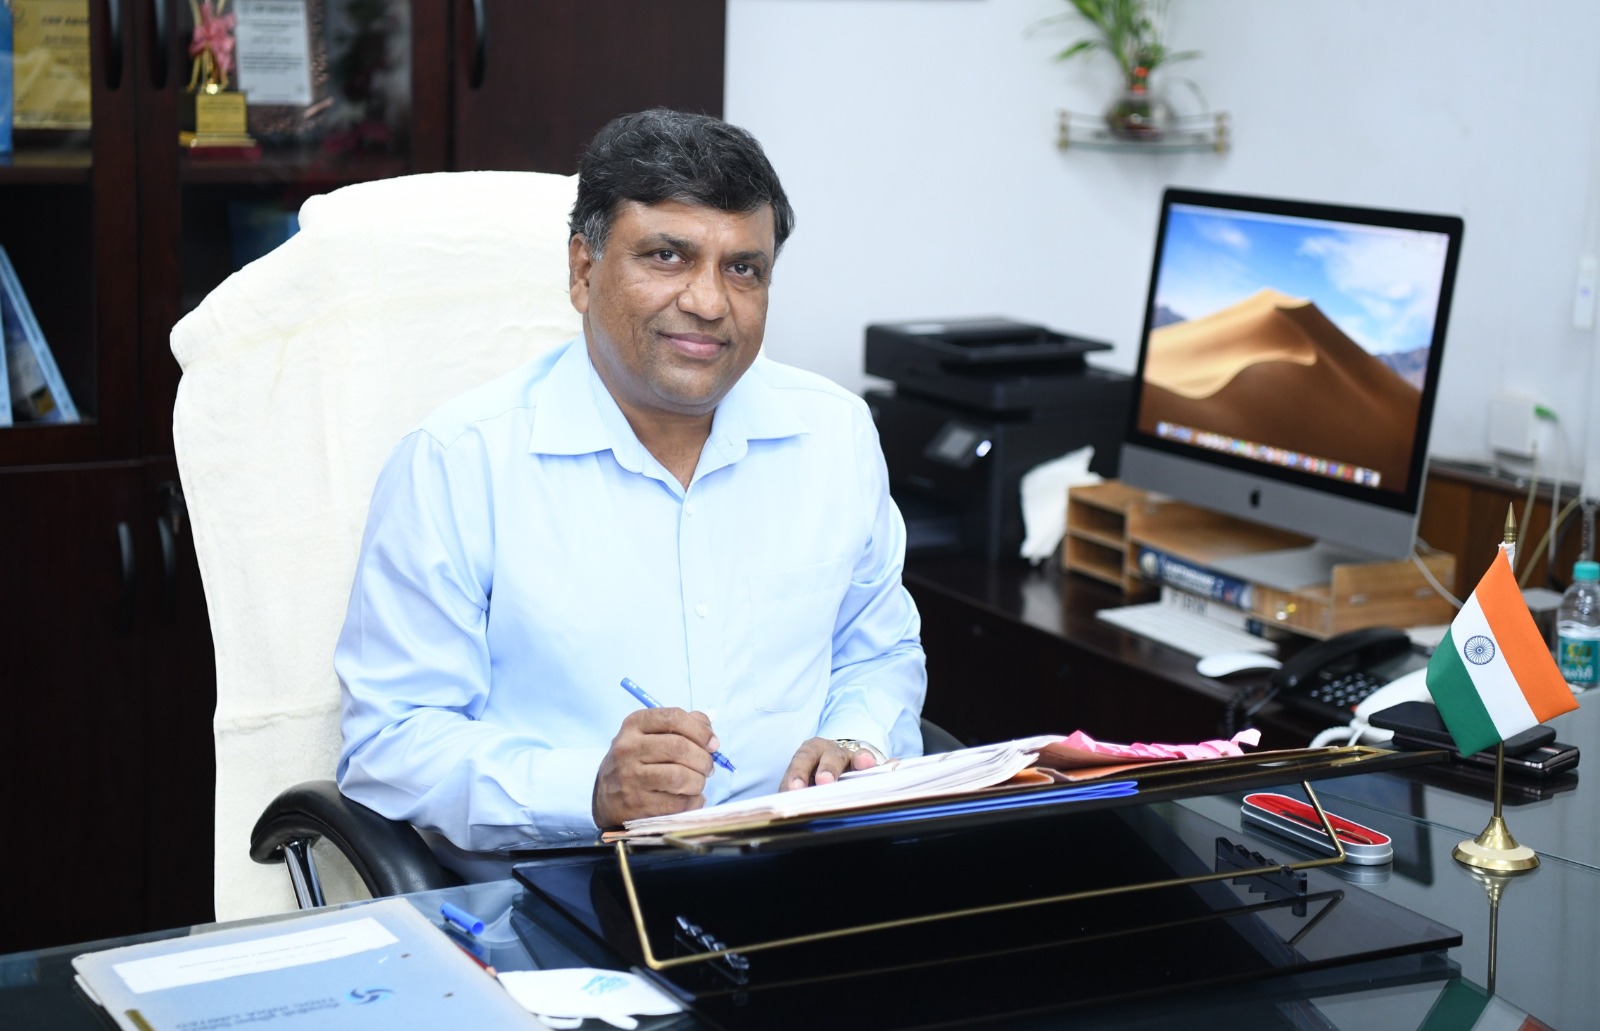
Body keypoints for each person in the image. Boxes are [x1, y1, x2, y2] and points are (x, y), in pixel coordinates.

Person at [334, 108, 926, 875]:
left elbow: (878, 651)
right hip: (567, 882)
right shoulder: (459, 463)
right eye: (668, 256)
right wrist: (587, 788)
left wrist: (856, 739)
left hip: (804, 868)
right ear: (583, 272)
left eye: (743, 269)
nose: (709, 302)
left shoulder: (834, 436)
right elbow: (390, 742)